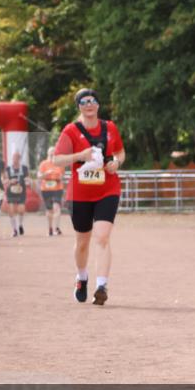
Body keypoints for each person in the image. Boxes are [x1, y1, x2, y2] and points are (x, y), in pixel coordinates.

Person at [51, 88, 125, 305]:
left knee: (102, 237)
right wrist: (80, 156)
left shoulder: (110, 127)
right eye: (84, 102)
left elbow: (120, 151)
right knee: (82, 242)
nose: (89, 104)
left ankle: (101, 286)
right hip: (79, 194)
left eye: (92, 100)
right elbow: (57, 160)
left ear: (98, 105)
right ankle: (82, 277)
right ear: (79, 107)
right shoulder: (71, 131)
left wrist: (116, 163)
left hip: (107, 189)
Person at [38, 147, 66, 236]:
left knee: (57, 207)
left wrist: (58, 176)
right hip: (46, 189)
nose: (53, 155)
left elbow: (62, 176)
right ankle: (50, 228)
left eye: (54, 154)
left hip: (57, 188)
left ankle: (56, 228)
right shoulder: (43, 164)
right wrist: (46, 173)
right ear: (48, 154)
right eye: (51, 154)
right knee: (49, 210)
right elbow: (39, 176)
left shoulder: (60, 164)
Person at [3, 151, 29, 237]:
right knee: (11, 210)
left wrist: (27, 181)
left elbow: (27, 178)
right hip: (11, 192)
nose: (15, 159)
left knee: (21, 209)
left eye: (17, 157)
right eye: (14, 157)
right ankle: (14, 230)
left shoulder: (24, 168)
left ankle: (20, 225)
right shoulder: (8, 169)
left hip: (21, 191)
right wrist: (10, 181)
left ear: (20, 159)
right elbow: (4, 181)